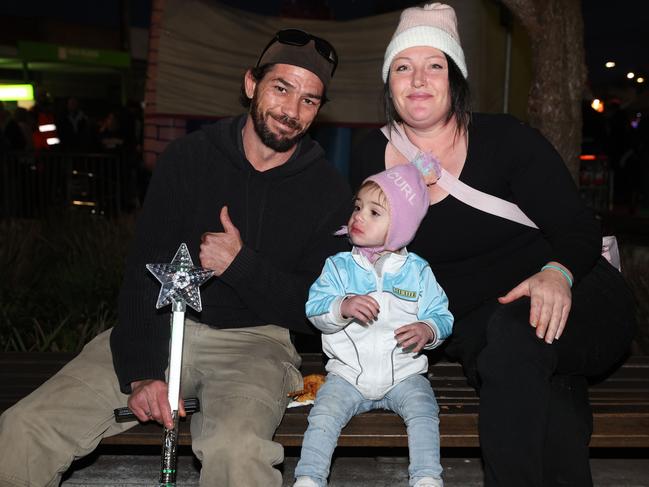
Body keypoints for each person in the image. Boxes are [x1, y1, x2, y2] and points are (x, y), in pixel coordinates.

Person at [0, 28, 350, 487]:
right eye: (281, 88)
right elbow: (144, 268)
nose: (291, 110)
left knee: (237, 452)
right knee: (24, 429)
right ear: (251, 84)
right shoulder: (190, 158)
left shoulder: (328, 191)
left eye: (309, 99)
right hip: (161, 328)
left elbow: (318, 309)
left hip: (255, 344)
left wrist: (241, 265)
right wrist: (143, 373)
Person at [350, 4, 636, 486]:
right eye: (404, 67)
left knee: (515, 341)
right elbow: (358, 252)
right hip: (479, 327)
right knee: (541, 386)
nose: (418, 79)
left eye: (434, 66)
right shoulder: (367, 155)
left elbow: (578, 228)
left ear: (455, 77)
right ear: (388, 82)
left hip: (579, 293)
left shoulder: (507, 139)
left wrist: (556, 273)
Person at [293, 163, 453, 487]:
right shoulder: (338, 267)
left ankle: (426, 478)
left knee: (424, 412)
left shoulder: (418, 271)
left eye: (374, 212)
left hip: (404, 374)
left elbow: (442, 315)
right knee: (323, 414)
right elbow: (314, 309)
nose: (358, 217)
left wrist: (428, 330)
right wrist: (342, 306)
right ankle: (309, 477)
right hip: (348, 374)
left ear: (401, 226)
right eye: (357, 207)